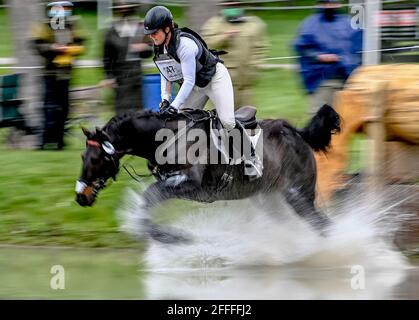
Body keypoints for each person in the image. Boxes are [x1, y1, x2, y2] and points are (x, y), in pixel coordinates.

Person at [143, 5, 261, 178]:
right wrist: (166, 98)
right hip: (197, 86)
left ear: (167, 29)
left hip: (215, 79)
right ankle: (175, 167)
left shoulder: (185, 45)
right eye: (150, 34)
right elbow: (165, 73)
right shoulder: (160, 46)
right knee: (178, 122)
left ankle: (252, 159)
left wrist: (175, 105)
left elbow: (189, 80)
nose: (152, 37)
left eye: (155, 33)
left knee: (227, 121)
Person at [32, 1, 86, 150]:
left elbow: (81, 44)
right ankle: (44, 142)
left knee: (64, 109)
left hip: (66, 73)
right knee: (49, 108)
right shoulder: (44, 25)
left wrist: (70, 49)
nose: (65, 11)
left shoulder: (73, 25)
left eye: (68, 8)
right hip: (50, 73)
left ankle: (60, 142)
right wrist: (53, 48)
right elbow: (37, 45)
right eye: (63, 8)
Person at [293, 0, 362, 113]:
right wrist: (319, 57)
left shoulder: (347, 23)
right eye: (326, 3)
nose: (329, 6)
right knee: (320, 120)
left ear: (338, 4)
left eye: (332, 3)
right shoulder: (310, 24)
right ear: (320, 4)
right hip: (322, 81)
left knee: (344, 120)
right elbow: (302, 47)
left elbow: (357, 48)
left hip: (346, 80)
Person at [201, 1, 269, 108]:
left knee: (248, 117)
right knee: (220, 118)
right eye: (229, 5)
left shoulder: (254, 24)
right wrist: (224, 37)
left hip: (246, 83)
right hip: (223, 83)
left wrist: (255, 66)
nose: (233, 7)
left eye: (236, 5)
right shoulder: (214, 24)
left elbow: (260, 47)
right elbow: (206, 45)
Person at [102, 1, 153, 116]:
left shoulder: (140, 27)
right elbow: (107, 56)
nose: (124, 10)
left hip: (136, 78)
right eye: (122, 7)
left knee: (137, 113)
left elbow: (149, 50)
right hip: (120, 79)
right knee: (122, 114)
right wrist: (109, 76)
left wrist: (145, 48)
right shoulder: (112, 30)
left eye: (127, 7)